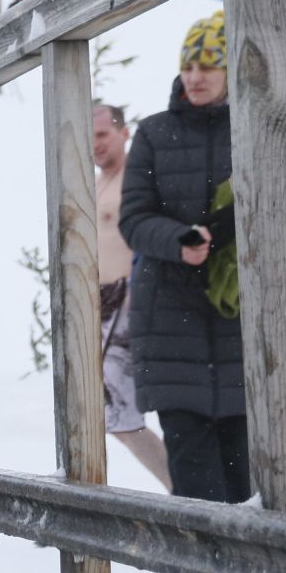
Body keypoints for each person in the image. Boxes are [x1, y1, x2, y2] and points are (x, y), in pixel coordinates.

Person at [119, 10, 286, 573]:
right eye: (189, 63)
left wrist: (243, 223)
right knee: (189, 450)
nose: (197, 75)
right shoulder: (156, 133)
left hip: (247, 321)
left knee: (241, 454)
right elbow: (135, 219)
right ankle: (208, 571)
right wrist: (178, 241)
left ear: (231, 68)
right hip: (172, 322)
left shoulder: (263, 125)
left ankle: (243, 569)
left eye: (209, 63)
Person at [92, 102, 172, 491]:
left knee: (121, 415)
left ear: (124, 133)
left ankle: (182, 489)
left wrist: (135, 296)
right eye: (89, 137)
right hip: (96, 308)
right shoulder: (92, 184)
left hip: (128, 305)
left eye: (103, 135)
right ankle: (85, 495)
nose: (96, 145)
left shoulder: (134, 182)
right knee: (104, 415)